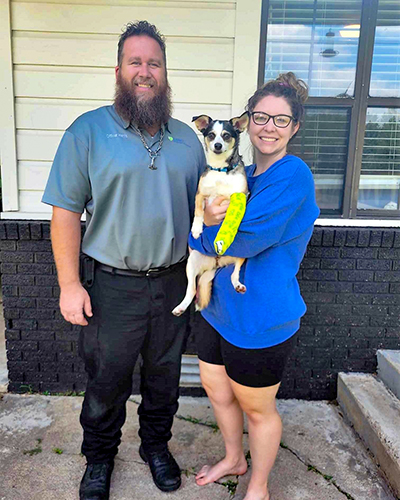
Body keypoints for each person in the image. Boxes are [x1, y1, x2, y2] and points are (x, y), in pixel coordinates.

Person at [42, 20, 206, 500]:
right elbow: (66, 211)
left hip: (174, 283)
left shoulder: (186, 140)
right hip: (110, 285)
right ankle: (98, 458)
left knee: (165, 379)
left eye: (153, 63)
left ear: (165, 73)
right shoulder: (88, 131)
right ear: (118, 70)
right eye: (135, 62)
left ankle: (155, 446)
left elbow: (204, 211)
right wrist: (69, 284)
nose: (144, 71)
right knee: (106, 381)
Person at [188, 72, 320, 500]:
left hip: (260, 316)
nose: (268, 127)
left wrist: (203, 230)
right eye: (261, 116)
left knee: (257, 410)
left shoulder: (292, 175)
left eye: (281, 120)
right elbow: (207, 233)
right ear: (248, 121)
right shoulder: (244, 175)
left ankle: (258, 487)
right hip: (218, 309)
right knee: (217, 391)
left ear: (295, 128)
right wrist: (205, 231)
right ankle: (233, 458)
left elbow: (242, 239)